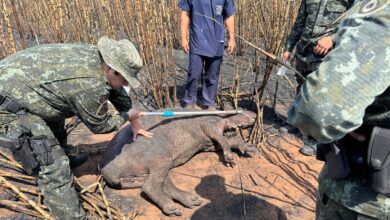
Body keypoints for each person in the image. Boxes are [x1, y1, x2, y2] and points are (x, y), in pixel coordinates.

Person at [0, 36, 153, 219]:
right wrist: (125, 117)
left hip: (27, 89)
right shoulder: (89, 84)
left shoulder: (99, 59)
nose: (127, 84)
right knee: (53, 163)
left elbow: (117, 91)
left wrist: (134, 122)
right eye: (125, 78)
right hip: (8, 106)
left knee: (55, 115)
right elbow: (100, 125)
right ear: (111, 68)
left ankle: (61, 151)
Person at [288, 0, 390, 218]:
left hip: (363, 200)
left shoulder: (381, 9)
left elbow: (318, 112)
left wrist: (334, 124)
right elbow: (299, 23)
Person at [282, 0, 354, 156]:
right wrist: (288, 47)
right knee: (301, 89)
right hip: (304, 52)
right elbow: (299, 23)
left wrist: (333, 39)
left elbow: (356, 24)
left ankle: (316, 141)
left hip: (328, 56)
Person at [179, 0, 235, 110]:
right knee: (194, 73)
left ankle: (208, 102)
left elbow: (229, 16)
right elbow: (185, 13)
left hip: (216, 42)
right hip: (197, 41)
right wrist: (184, 38)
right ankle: (189, 101)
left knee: (212, 76)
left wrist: (232, 39)